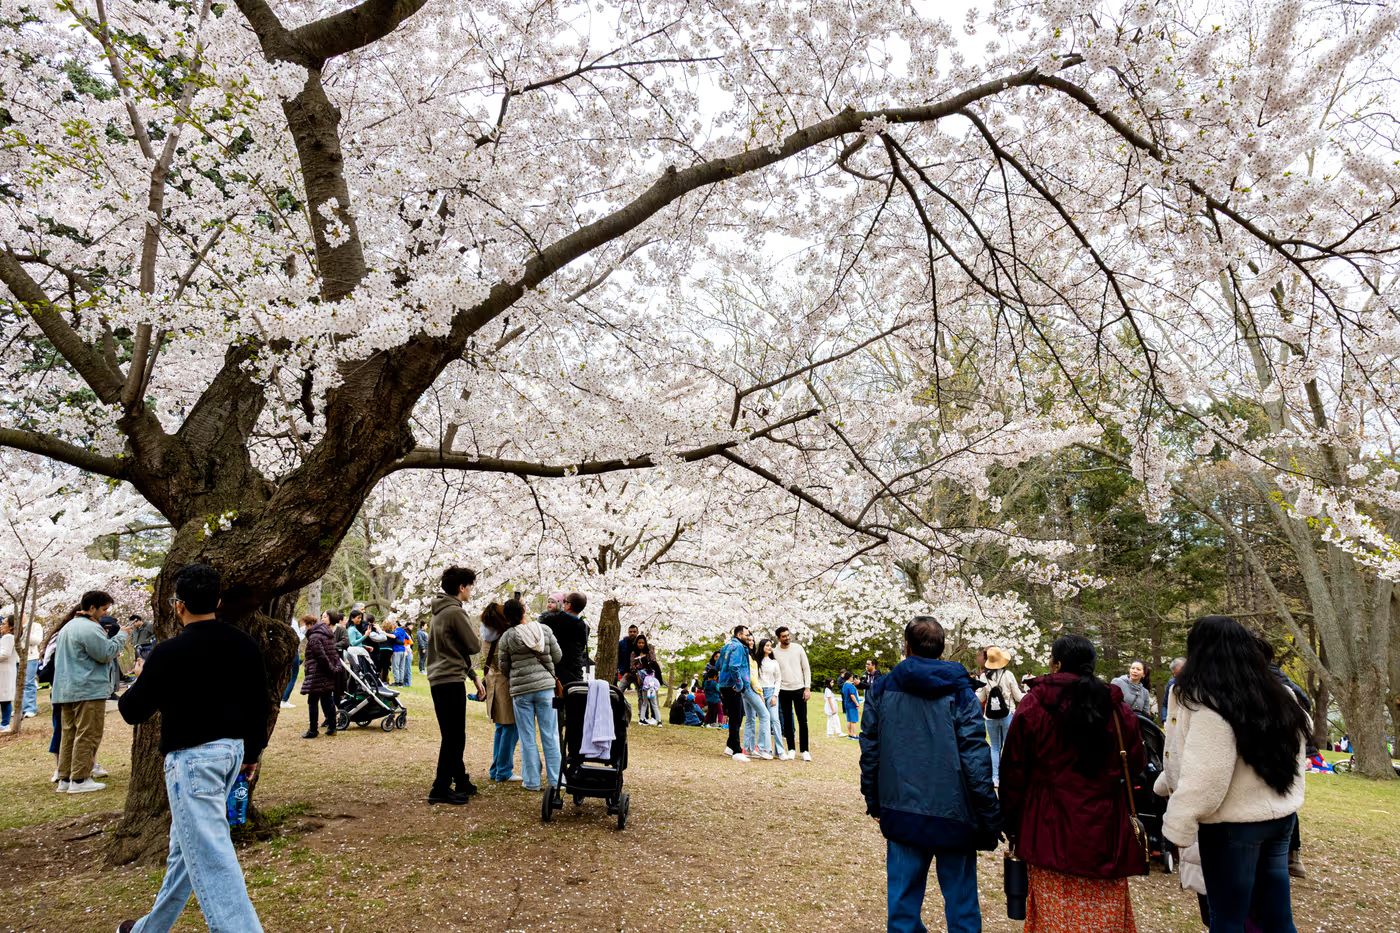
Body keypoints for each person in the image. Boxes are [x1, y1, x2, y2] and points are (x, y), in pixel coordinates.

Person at [115, 562, 269, 933]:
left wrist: (139, 677)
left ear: (178, 605)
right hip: (232, 753)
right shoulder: (244, 642)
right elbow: (259, 703)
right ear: (216, 601)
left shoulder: (168, 653)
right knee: (185, 851)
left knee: (212, 856)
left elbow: (133, 711)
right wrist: (252, 754)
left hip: (192, 762)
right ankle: (148, 930)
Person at [1155, 616, 1310, 933]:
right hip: (1279, 818)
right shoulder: (1279, 694)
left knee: (1227, 919)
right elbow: (1294, 759)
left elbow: (1206, 776)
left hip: (1232, 826)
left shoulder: (1210, 701)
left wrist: (1177, 827)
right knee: (1277, 918)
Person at [860, 616, 1001, 933]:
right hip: (953, 809)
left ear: (907, 646)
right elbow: (976, 756)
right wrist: (990, 815)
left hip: (902, 807)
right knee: (961, 907)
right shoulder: (960, 691)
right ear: (942, 649)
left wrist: (875, 801)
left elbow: (870, 749)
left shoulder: (882, 688)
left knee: (903, 908)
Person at [999, 634, 1147, 933]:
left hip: (1047, 827)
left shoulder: (1034, 706)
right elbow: (1136, 764)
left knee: (1055, 917)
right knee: (1103, 918)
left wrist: (1012, 824)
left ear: (1055, 664)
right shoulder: (1118, 710)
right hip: (1105, 832)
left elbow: (1013, 770)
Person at [53, 590, 130, 792]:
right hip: (87, 689)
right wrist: (122, 634)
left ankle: (65, 779)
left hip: (66, 690)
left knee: (69, 734)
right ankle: (80, 779)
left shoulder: (68, 627)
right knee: (88, 733)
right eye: (103, 609)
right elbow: (106, 653)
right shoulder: (89, 628)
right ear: (92, 607)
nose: (104, 613)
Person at [425, 566, 483, 805]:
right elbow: (472, 646)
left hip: (440, 678)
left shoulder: (438, 612)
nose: (471, 591)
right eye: (470, 586)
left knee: (453, 733)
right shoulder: (455, 613)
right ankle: (440, 787)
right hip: (449, 680)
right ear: (462, 587)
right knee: (453, 736)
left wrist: (473, 675)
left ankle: (461, 780)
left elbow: (451, 650)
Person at [497, 598, 563, 792]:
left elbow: (504, 666)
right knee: (550, 734)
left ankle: (532, 781)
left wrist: (517, 675)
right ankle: (556, 779)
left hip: (521, 692)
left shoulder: (507, 637)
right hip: (545, 688)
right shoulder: (544, 630)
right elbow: (558, 656)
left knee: (527, 737)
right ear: (524, 610)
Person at [480, 601, 521, 782]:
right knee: (510, 727)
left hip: (492, 682)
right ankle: (503, 770)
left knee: (501, 728)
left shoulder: (487, 636)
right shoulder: (503, 637)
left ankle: (496, 768)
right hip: (505, 683)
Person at [975, 645, 1023, 787]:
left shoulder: (984, 676)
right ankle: (1009, 775)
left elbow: (980, 698)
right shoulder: (1008, 675)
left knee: (995, 748)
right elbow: (1018, 697)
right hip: (1007, 714)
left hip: (990, 717)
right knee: (1009, 747)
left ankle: (995, 777)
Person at [772, 626, 812, 761]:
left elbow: (806, 668)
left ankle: (805, 750)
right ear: (778, 639)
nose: (787, 638)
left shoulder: (798, 648)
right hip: (783, 690)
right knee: (788, 721)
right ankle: (791, 749)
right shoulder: (775, 652)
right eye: (784, 636)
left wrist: (807, 688)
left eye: (788, 635)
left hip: (799, 688)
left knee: (803, 720)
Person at [299, 613, 339, 738]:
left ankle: (313, 730)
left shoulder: (315, 636)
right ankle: (332, 727)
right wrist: (334, 668)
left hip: (317, 672)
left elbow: (320, 656)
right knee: (328, 699)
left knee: (313, 701)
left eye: (304, 625)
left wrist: (330, 668)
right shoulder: (327, 634)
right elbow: (333, 653)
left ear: (309, 624)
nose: (304, 628)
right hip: (326, 672)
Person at [539, 591, 589, 689]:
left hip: (555, 674)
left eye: (564, 601)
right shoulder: (585, 627)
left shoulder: (552, 621)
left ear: (569, 605)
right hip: (576, 675)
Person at [717, 625, 752, 761]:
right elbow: (734, 666)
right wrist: (739, 684)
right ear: (739, 635)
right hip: (732, 686)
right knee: (736, 717)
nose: (748, 637)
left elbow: (718, 665)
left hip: (724, 684)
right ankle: (737, 751)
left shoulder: (727, 646)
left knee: (736, 715)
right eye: (746, 635)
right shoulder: (738, 647)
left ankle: (730, 746)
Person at [754, 637, 790, 759]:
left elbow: (778, 680)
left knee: (775, 720)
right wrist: (759, 694)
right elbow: (755, 679)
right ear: (762, 647)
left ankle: (780, 751)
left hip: (771, 692)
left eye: (770, 645)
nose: (769, 647)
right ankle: (764, 749)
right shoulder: (756, 662)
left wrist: (775, 695)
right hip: (760, 692)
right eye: (767, 645)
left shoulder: (774, 662)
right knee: (764, 721)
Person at [629, 633, 663, 720]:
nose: (641, 644)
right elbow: (632, 666)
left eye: (642, 643)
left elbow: (653, 662)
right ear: (636, 643)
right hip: (639, 676)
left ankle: (654, 717)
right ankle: (644, 717)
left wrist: (646, 665)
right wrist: (638, 667)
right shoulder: (634, 653)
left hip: (650, 677)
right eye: (639, 643)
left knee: (652, 697)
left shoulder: (649, 652)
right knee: (643, 698)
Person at [280, 615, 306, 708]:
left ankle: (282, 698)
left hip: (282, 651)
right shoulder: (293, 622)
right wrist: (303, 633)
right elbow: (297, 638)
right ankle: (284, 700)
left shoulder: (280, 619)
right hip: (293, 651)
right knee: (293, 676)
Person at [22, 615, 44, 718]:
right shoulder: (14, 627)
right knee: (18, 684)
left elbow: (37, 641)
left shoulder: (35, 626)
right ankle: (21, 708)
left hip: (30, 657)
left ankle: (30, 708)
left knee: (28, 683)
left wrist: (24, 632)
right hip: (18, 658)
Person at [0, 616, 15, 729]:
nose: (1, 626)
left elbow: (5, 653)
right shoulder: (4, 637)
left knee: (5, 698)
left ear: (10, 627)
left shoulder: (8, 637)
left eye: (4, 624)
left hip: (5, 671)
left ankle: (5, 723)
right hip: (3, 670)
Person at [1161, 657, 1185, 724]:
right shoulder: (1171, 683)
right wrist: (1164, 720)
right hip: (1175, 720)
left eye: (1179, 674)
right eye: (1174, 674)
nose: (1176, 677)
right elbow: (1165, 704)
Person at [841, 672, 861, 739]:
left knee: (849, 720)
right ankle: (854, 735)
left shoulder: (844, 685)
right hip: (852, 705)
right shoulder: (851, 686)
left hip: (846, 704)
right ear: (850, 677)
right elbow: (852, 695)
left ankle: (850, 734)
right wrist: (857, 703)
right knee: (853, 720)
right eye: (852, 677)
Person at [392, 621, 412, 687]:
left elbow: (394, 636)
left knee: (396, 666)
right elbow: (408, 638)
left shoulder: (396, 630)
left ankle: (397, 681)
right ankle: (401, 681)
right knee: (402, 667)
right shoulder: (403, 631)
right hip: (403, 650)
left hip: (397, 649)